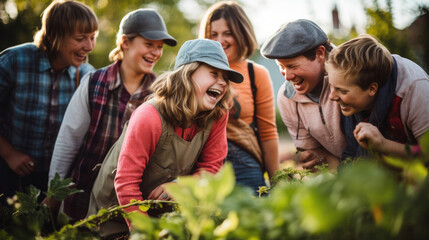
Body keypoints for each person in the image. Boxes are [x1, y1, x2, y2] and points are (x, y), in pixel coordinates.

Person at [86, 39, 243, 238]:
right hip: (114, 213)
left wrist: (181, 186)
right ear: (187, 74)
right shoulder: (149, 116)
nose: (222, 82)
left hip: (164, 216)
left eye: (225, 78)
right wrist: (145, 233)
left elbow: (210, 169)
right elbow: (126, 182)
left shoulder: (217, 115)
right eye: (214, 73)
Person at [46, 8, 177, 220]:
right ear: (125, 42)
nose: (156, 52)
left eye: (160, 47)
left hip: (128, 209)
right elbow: (68, 142)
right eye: (149, 44)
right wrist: (53, 194)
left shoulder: (161, 94)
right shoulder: (94, 83)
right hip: (80, 202)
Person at [0, 0, 98, 205]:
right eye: (80, 38)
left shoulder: (88, 76)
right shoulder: (14, 61)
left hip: (55, 180)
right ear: (54, 35)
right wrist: (9, 154)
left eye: (92, 37)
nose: (88, 47)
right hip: (8, 170)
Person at [199, 1, 279, 192]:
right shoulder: (195, 71)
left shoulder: (255, 73)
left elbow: (267, 133)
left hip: (244, 164)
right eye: (213, 35)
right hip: (201, 166)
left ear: (241, 34)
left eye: (227, 33)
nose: (220, 40)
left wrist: (277, 181)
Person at [326, 34, 429, 163]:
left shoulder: (415, 90)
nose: (332, 97)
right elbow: (352, 153)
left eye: (342, 91)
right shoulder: (350, 98)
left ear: (372, 89)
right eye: (331, 86)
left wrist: (384, 145)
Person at [260, 19, 346, 171]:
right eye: (281, 67)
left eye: (292, 66)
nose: (286, 76)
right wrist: (313, 157)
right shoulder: (287, 98)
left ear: (320, 54)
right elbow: (311, 151)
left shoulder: (350, 80)